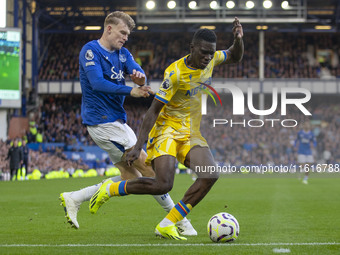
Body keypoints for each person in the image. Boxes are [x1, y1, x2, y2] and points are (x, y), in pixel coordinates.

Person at [90, 17, 244, 240]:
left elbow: (234, 55)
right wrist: (137, 147)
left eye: (211, 53)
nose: (208, 57)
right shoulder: (174, 74)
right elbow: (152, 111)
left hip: (190, 132)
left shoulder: (211, 60)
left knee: (210, 174)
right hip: (166, 131)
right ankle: (110, 190)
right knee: (163, 184)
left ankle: (167, 223)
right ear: (192, 48)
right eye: (203, 52)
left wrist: (238, 39)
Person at [59, 11, 196, 235]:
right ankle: (177, 222)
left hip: (117, 122)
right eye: (123, 32)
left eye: (128, 34)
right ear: (109, 29)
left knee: (131, 178)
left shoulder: (123, 54)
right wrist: (130, 90)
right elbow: (96, 83)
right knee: (151, 172)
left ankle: (75, 197)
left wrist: (139, 77)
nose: (125, 37)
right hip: (102, 123)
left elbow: (137, 71)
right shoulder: (90, 51)